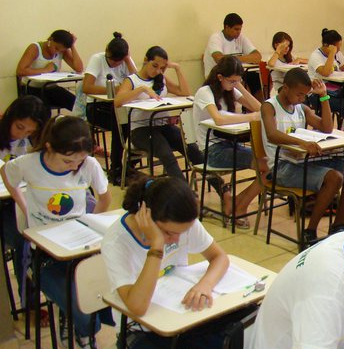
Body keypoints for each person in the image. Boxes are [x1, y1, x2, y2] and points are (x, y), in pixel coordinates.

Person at [101, 176, 231, 349]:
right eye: (170, 233)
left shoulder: (182, 224)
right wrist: (156, 246)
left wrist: (205, 284)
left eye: (181, 233)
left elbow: (219, 257)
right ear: (144, 213)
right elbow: (137, 306)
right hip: (138, 332)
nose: (177, 238)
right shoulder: (116, 242)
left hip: (182, 322)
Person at [0, 116, 112, 349]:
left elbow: (105, 197)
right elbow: (7, 176)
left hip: (80, 247)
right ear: (49, 147)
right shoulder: (27, 164)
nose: (74, 167)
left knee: (107, 293)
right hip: (43, 253)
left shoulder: (89, 165)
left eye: (79, 161)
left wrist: (92, 224)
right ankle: (81, 324)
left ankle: (76, 321)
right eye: (67, 161)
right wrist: (23, 206)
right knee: (78, 302)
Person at [261, 68, 344, 246]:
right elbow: (272, 134)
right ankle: (310, 230)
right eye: (299, 94)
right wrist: (302, 143)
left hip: (301, 161)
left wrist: (324, 96)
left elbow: (326, 128)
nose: (302, 99)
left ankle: (338, 223)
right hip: (281, 167)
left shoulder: (300, 108)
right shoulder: (269, 106)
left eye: (305, 95)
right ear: (285, 88)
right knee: (334, 178)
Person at [114, 46, 210, 183]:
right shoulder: (132, 80)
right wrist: (142, 89)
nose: (158, 71)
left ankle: (223, 190)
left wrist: (177, 69)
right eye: (154, 66)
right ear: (146, 60)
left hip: (163, 127)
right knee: (166, 154)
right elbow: (117, 101)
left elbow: (185, 92)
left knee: (192, 149)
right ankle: (184, 194)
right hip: (141, 130)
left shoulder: (161, 78)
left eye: (162, 68)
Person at [192, 56, 263, 229]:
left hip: (230, 144)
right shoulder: (205, 92)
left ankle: (238, 202)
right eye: (231, 81)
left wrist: (239, 86)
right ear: (220, 77)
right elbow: (219, 119)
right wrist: (250, 117)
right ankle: (239, 206)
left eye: (237, 81)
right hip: (212, 150)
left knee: (269, 165)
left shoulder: (231, 89)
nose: (234, 84)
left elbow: (259, 108)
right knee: (266, 166)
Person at [0, 95, 51, 296]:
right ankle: (27, 298)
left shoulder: (36, 140)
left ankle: (48, 285)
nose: (22, 134)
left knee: (43, 233)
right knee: (23, 239)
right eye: (19, 127)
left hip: (25, 198)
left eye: (30, 131)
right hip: (5, 205)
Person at [72, 32, 137, 185]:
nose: (115, 64)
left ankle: (130, 164)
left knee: (136, 121)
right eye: (112, 61)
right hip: (96, 107)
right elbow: (87, 87)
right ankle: (115, 168)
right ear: (107, 52)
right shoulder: (97, 59)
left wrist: (128, 59)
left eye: (118, 61)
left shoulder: (125, 61)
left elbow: (138, 79)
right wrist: (113, 89)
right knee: (120, 123)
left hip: (119, 106)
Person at [16, 30, 84, 111]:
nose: (57, 52)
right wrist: (45, 70)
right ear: (50, 40)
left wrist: (72, 46)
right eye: (56, 48)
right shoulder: (35, 48)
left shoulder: (62, 50)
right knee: (43, 111)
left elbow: (79, 68)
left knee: (77, 105)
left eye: (61, 51)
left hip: (51, 88)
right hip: (31, 88)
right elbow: (20, 71)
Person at [202, 13, 263, 98]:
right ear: (227, 27)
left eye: (240, 29)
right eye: (236, 29)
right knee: (245, 90)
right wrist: (242, 59)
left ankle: (257, 108)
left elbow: (257, 57)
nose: (238, 32)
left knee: (257, 82)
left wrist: (235, 59)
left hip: (235, 77)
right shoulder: (216, 38)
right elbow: (219, 59)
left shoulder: (240, 37)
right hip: (218, 78)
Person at [307, 28, 344, 121]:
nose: (339, 50)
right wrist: (332, 53)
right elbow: (326, 72)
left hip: (336, 90)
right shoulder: (316, 56)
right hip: (318, 94)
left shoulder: (337, 53)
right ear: (327, 45)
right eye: (337, 48)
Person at [267, 32, 307, 98]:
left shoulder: (290, 57)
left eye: (288, 46)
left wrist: (299, 59)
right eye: (284, 46)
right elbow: (271, 64)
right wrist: (278, 50)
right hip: (282, 86)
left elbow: (309, 61)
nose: (287, 48)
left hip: (294, 84)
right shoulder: (272, 58)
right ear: (276, 45)